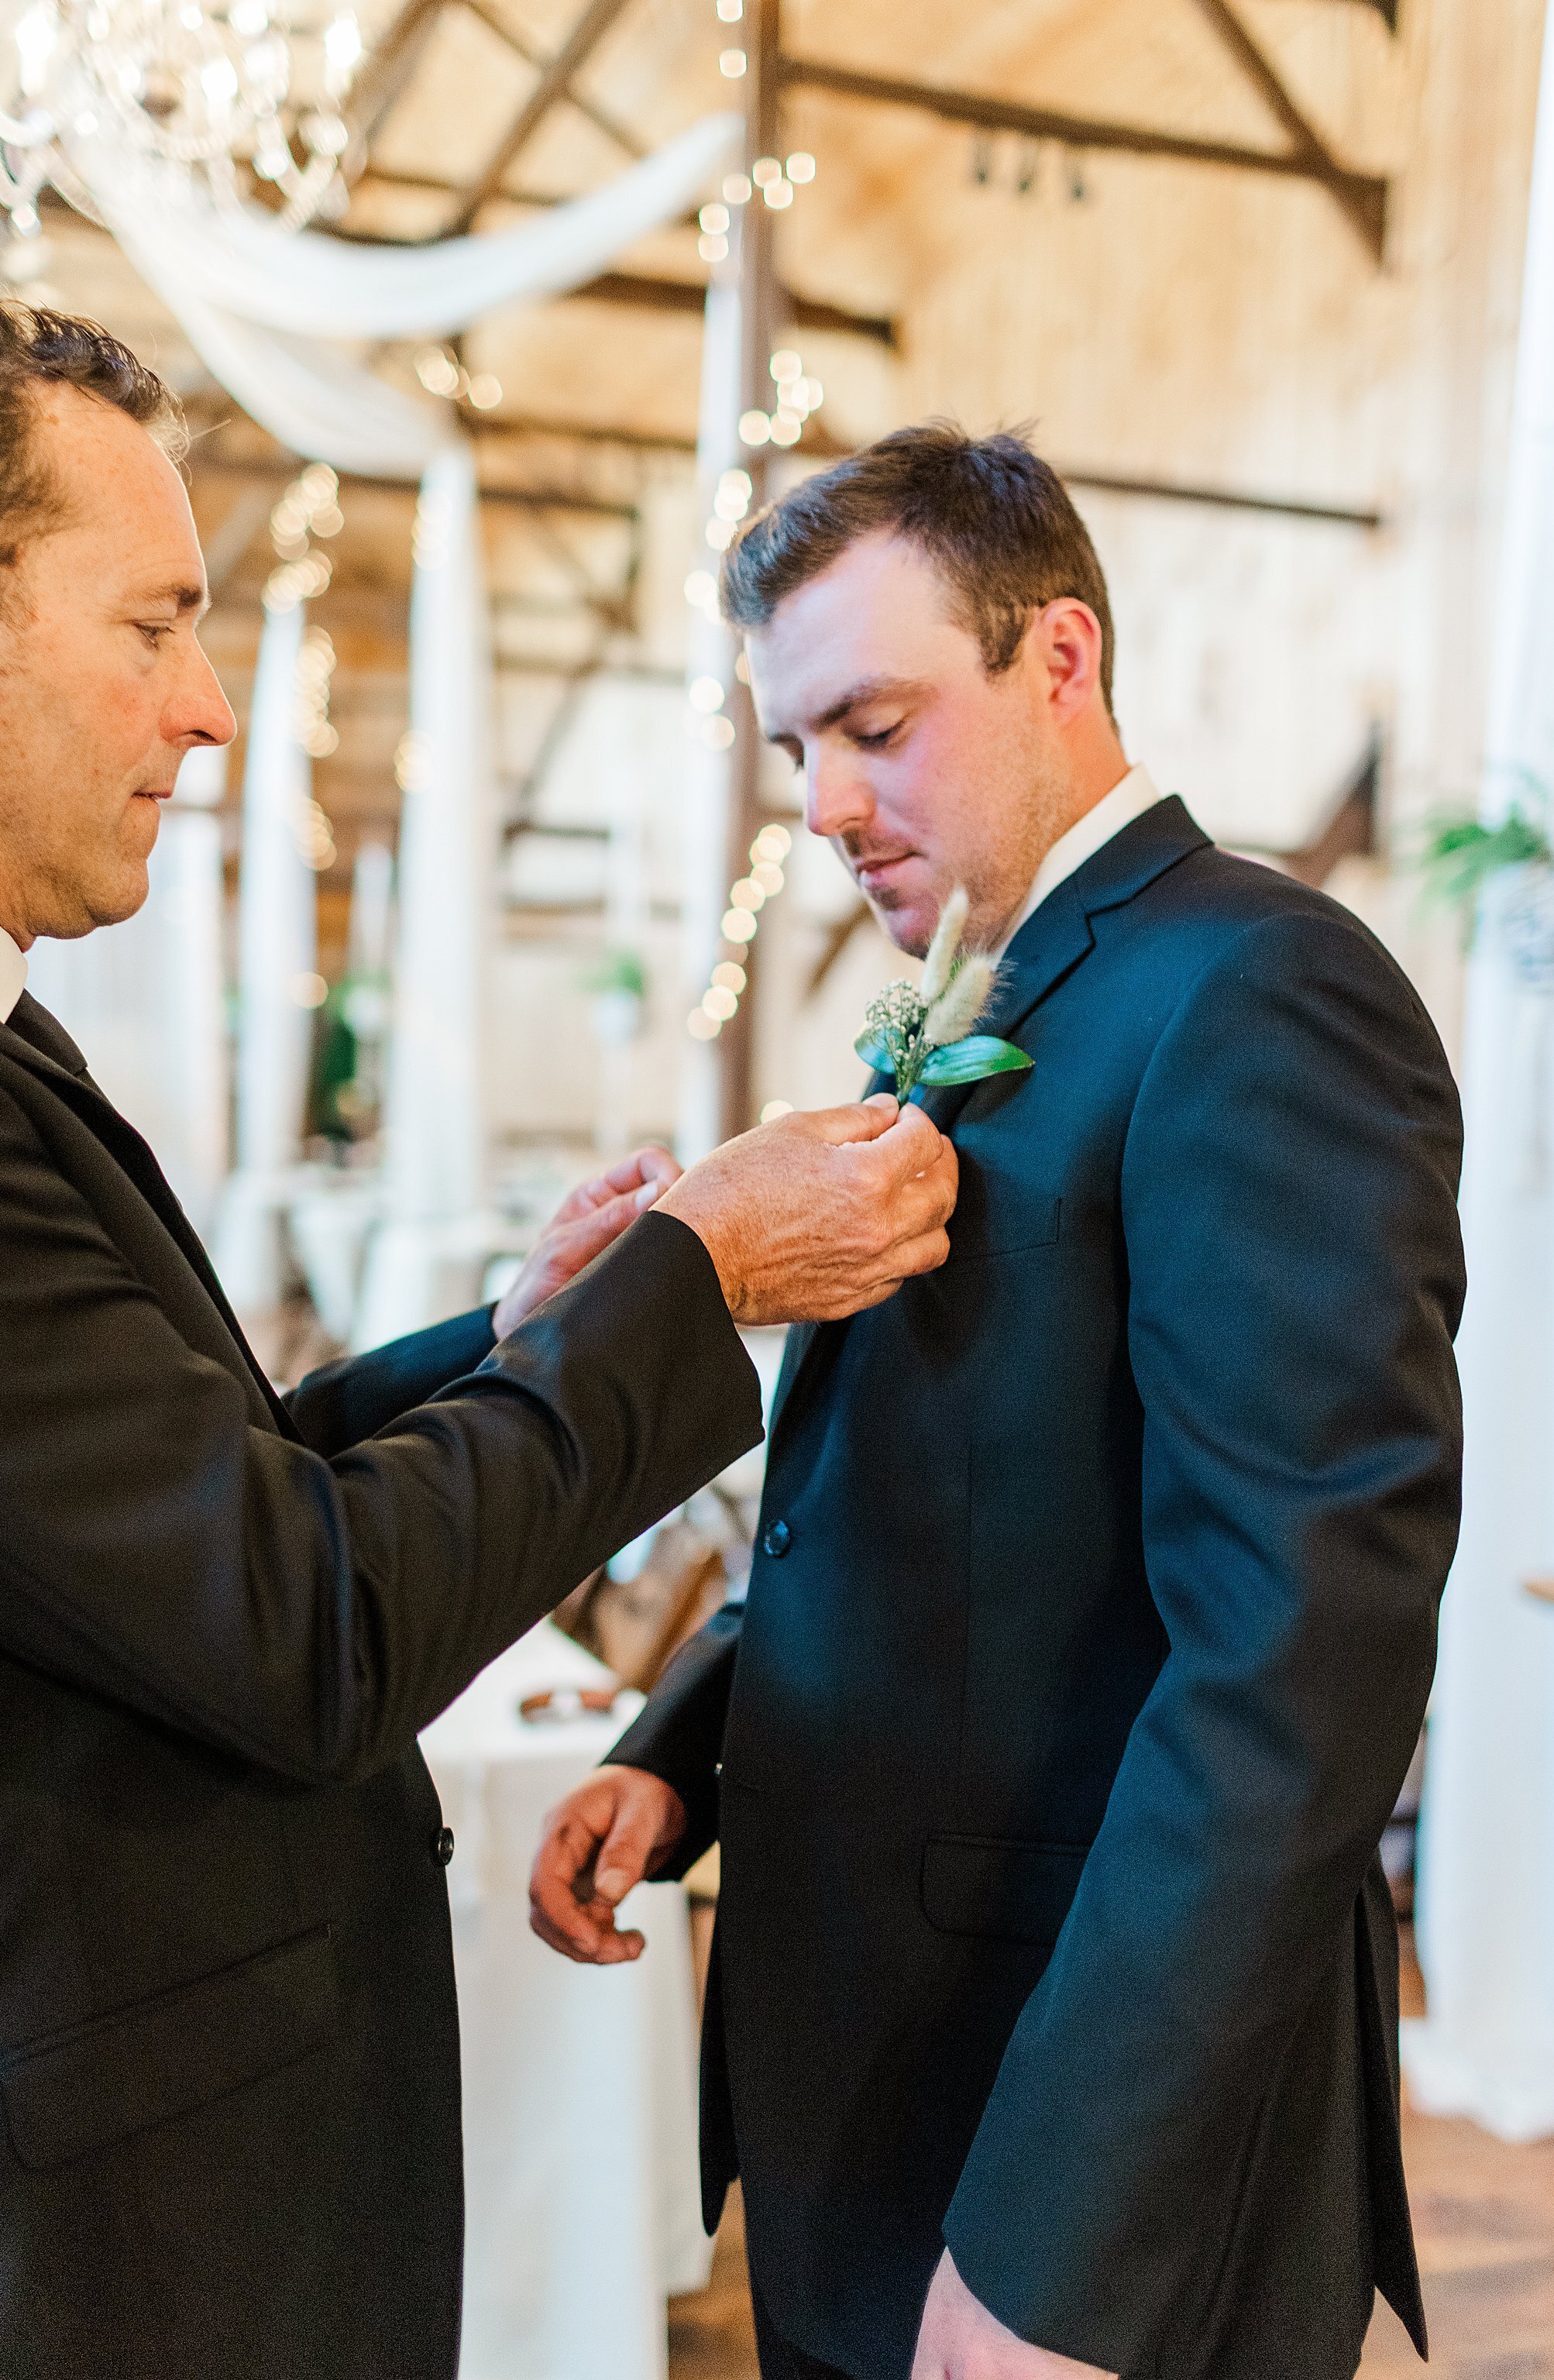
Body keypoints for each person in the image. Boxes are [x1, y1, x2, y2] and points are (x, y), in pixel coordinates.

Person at [0, 304, 958, 2378]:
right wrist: (690, 1280)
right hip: (121, 2240)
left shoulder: (28, 1047)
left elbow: (192, 1501)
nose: (212, 708)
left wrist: (516, 1336)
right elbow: (300, 1619)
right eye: (154, 623)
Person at [531, 424, 1466, 2380]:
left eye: (874, 723)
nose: (830, 806)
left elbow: (1296, 1665)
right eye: (799, 751)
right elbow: (941, 1502)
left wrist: (1061, 2235)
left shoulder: (1253, 994)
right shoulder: (996, 992)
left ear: (1058, 658)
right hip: (879, 2063)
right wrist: (689, 1746)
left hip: (1067, 2125)